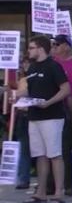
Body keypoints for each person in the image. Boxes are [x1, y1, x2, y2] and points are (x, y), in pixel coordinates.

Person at [18, 35, 70, 203]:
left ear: (40, 49)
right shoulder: (32, 67)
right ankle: (40, 191)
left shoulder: (54, 66)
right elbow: (29, 90)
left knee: (54, 154)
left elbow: (65, 89)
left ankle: (58, 192)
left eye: (31, 47)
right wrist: (16, 96)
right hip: (34, 117)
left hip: (52, 117)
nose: (29, 50)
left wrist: (48, 102)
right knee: (40, 155)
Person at [49, 34, 72, 196]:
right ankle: (50, 184)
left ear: (66, 46)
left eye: (57, 43)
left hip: (68, 109)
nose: (53, 46)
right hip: (50, 110)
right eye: (53, 43)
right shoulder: (50, 63)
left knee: (65, 148)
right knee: (50, 149)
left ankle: (68, 184)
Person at [15, 56, 33, 189]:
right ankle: (23, 178)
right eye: (23, 63)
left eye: (27, 62)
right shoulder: (22, 79)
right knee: (23, 148)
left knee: (39, 150)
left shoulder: (36, 78)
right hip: (22, 115)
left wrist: (16, 93)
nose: (25, 65)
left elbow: (24, 93)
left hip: (34, 114)